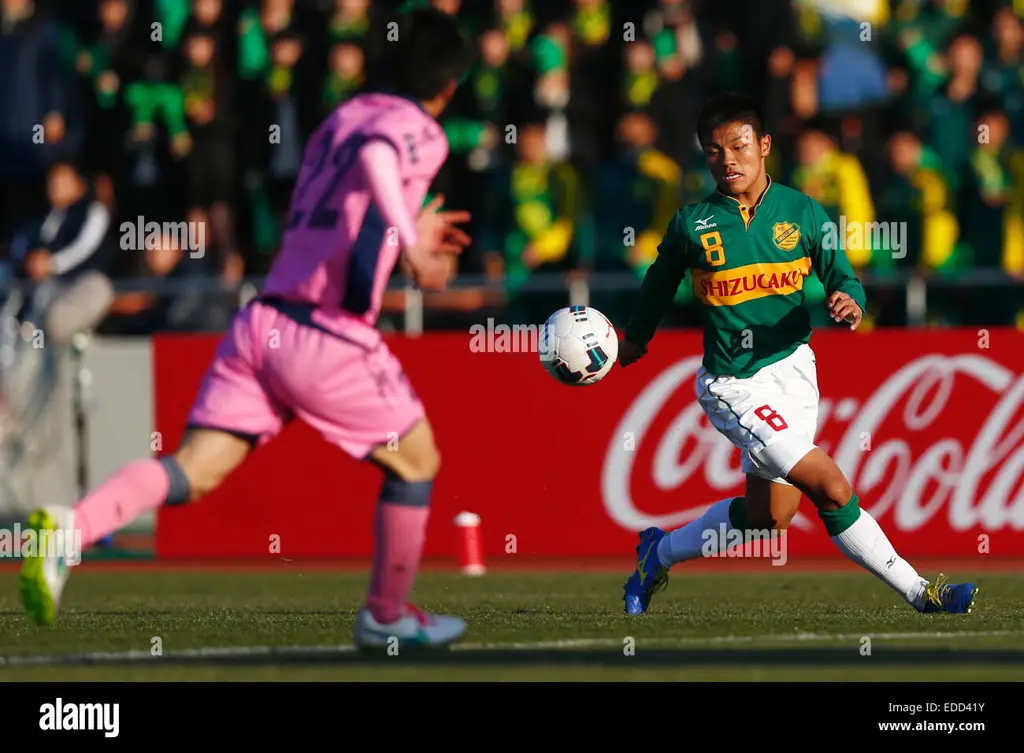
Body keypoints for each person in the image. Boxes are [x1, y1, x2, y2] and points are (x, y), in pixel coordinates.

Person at [19, 9, 476, 649]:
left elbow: (347, 198)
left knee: (194, 470)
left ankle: (71, 527)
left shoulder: (339, 119)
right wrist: (414, 246)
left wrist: (401, 233)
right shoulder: (420, 131)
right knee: (419, 460)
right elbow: (379, 161)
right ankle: (385, 614)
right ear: (448, 87)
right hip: (326, 333)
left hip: (261, 322)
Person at [619, 93, 978, 616]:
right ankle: (923, 592)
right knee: (830, 487)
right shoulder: (692, 223)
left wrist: (849, 301)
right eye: (714, 151)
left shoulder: (803, 211)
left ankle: (658, 553)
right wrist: (634, 339)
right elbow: (657, 284)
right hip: (734, 385)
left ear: (764, 146)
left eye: (739, 146)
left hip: (795, 369)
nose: (729, 160)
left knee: (770, 519)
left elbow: (843, 274)